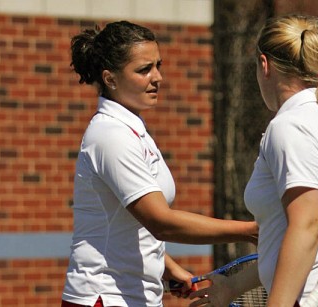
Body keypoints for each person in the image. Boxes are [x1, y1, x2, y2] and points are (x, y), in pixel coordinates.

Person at [190, 14, 318, 307]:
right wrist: (232, 287)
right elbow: (287, 240)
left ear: (264, 65)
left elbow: (308, 225)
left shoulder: (291, 126)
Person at [61, 20, 258, 307]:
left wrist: (166, 267)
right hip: (105, 298)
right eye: (144, 69)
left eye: (158, 65)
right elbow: (160, 222)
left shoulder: (132, 130)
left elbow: (129, 225)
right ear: (110, 79)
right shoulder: (111, 135)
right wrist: (249, 231)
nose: (158, 77)